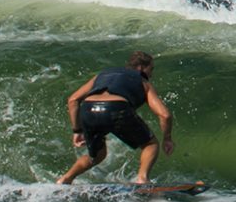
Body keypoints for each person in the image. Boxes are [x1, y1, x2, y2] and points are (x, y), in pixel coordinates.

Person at [57, 50, 174, 185]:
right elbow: (165, 114)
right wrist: (167, 139)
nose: (151, 74)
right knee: (150, 144)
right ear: (141, 68)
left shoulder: (102, 75)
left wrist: (77, 131)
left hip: (88, 109)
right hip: (116, 108)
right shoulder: (141, 81)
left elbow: (73, 100)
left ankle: (65, 179)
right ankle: (142, 179)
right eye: (151, 69)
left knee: (96, 155)